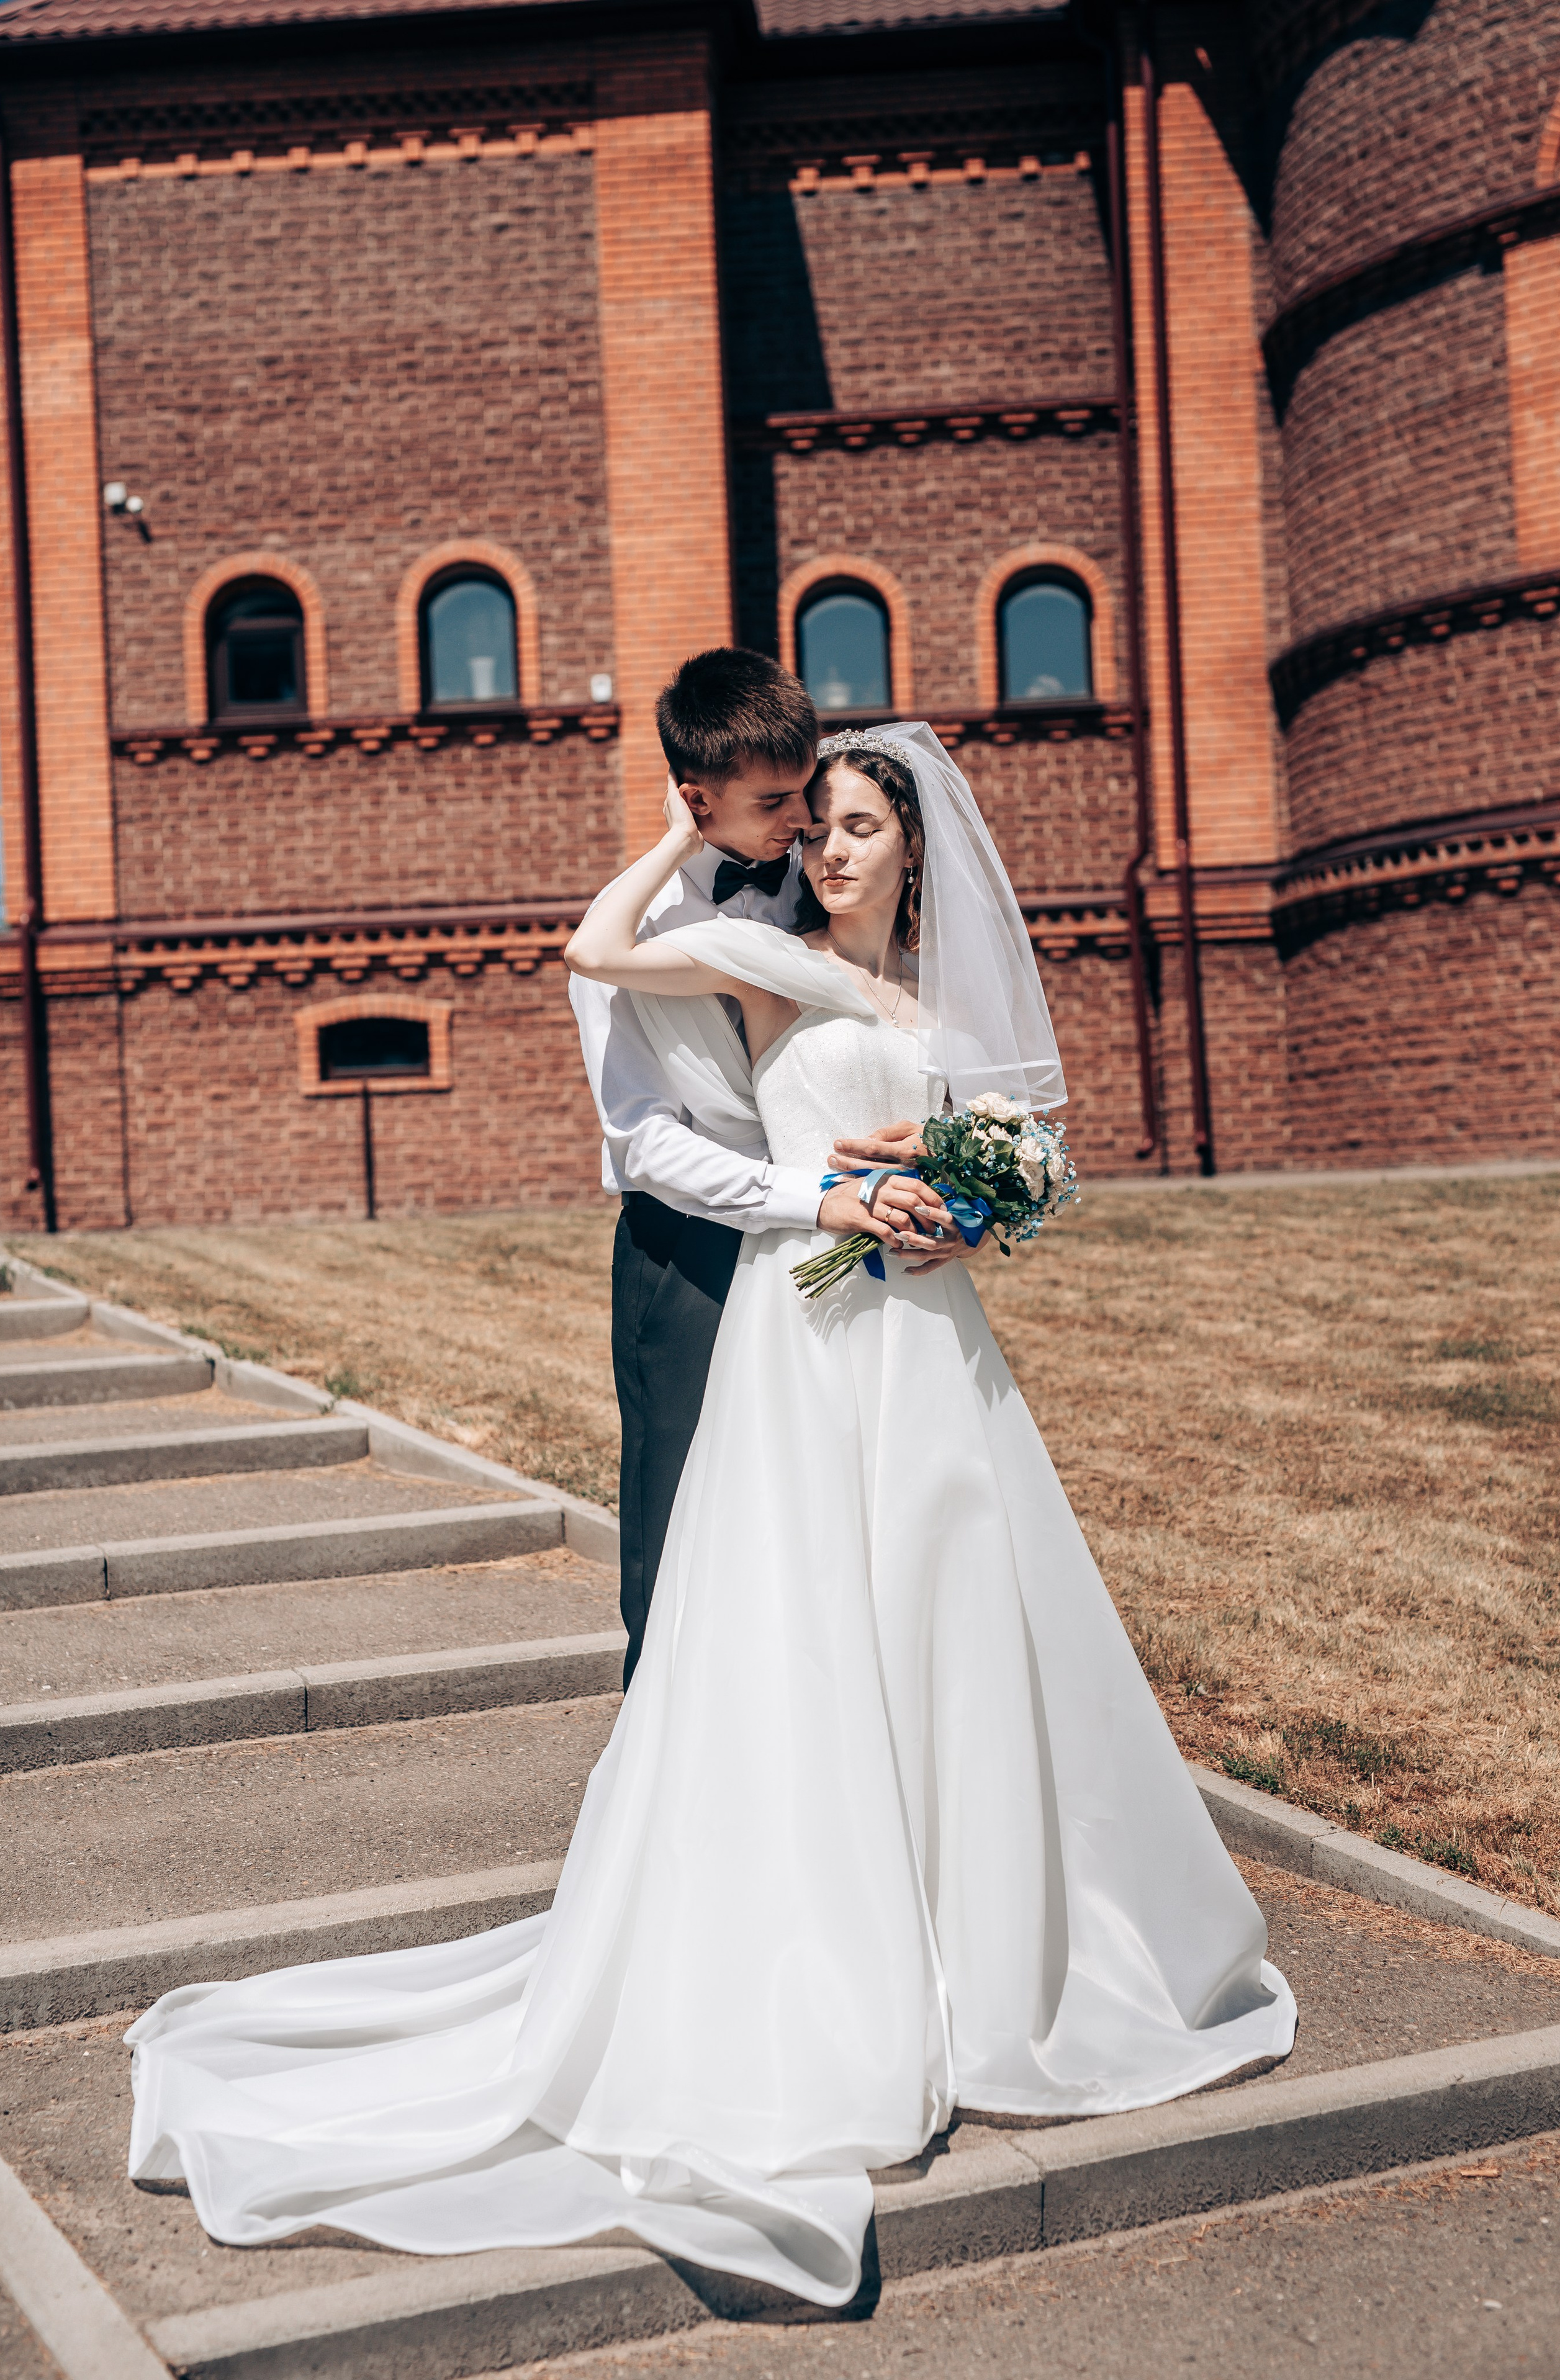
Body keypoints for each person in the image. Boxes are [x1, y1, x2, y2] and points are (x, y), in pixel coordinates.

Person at [125, 723, 1296, 2307]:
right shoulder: (767, 960)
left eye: (860, 827)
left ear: (914, 847)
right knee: (802, 1631)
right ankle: (825, 1966)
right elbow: (598, 949)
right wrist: (689, 835)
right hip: (801, 1336)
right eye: (816, 824)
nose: (830, 848)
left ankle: (987, 1957)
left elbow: (1038, 1153)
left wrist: (974, 1197)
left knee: (948, 1626)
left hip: (929, 1352)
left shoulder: (940, 998)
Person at [566, 649, 963, 1686]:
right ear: (697, 801)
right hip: (691, 1248)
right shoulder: (646, 929)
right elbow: (647, 1144)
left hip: (852, 1238)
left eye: (810, 797)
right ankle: (667, 1734)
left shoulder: (820, 891)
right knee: (684, 1499)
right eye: (777, 803)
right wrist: (818, 1197)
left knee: (834, 1510)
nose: (804, 826)